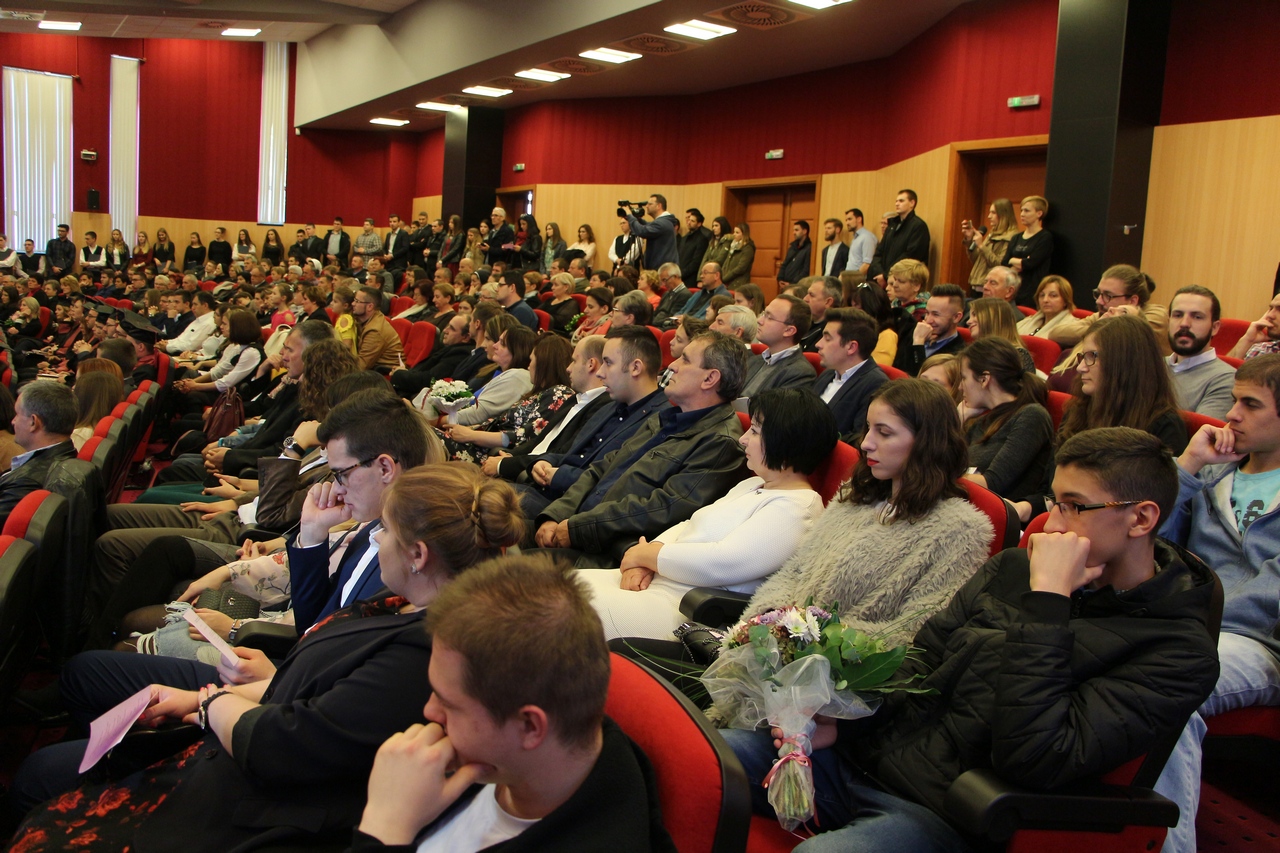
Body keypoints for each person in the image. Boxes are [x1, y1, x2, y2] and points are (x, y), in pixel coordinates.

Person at [725, 426, 1219, 851]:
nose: (1051, 525)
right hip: (865, 759)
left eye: (1074, 507)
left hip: (947, 811)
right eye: (1055, 502)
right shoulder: (1013, 569)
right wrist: (842, 723)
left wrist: (1049, 605)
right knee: (701, 758)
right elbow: (921, 663)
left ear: (1141, 518)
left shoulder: (1177, 651)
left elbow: (1036, 758)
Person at [7, 461, 523, 853]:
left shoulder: (425, 649)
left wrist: (209, 702)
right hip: (241, 734)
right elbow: (319, 673)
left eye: (385, 530)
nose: (376, 538)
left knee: (39, 784)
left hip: (252, 798)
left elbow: (291, 742)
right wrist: (212, 696)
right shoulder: (402, 602)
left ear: (418, 555)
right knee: (51, 762)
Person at [349, 553, 675, 853]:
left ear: (529, 727)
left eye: (449, 704)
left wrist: (384, 828)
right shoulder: (510, 762)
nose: (429, 711)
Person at [734, 378, 992, 644]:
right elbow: (794, 571)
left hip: (841, 662)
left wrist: (812, 639)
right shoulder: (856, 495)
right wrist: (768, 620)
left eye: (884, 433)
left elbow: (914, 633)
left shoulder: (960, 531)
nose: (866, 443)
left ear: (927, 442)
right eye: (868, 428)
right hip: (785, 644)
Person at [580, 388, 834, 641]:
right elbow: (688, 524)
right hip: (657, 580)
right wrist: (643, 561)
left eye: (755, 431)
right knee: (559, 584)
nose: (743, 439)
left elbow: (723, 563)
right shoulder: (753, 483)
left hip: (684, 608)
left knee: (565, 611)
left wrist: (649, 556)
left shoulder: (797, 509)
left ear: (785, 442)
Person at [1155, 354, 1280, 853]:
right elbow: (1153, 545)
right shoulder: (1213, 476)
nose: (1231, 414)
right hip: (1187, 624)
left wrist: (1190, 621)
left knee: (1168, 686)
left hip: (1254, 640)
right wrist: (1187, 467)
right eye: (1233, 400)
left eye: (1251, 404)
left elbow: (1271, 595)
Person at [533, 331, 749, 565]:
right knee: (505, 527)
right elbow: (600, 469)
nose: (672, 365)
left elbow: (664, 508)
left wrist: (577, 528)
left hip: (610, 555)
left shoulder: (720, 443)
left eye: (685, 360)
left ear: (709, 379)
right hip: (579, 528)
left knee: (507, 564)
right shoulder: (664, 419)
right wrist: (555, 515)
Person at [445, 334, 574, 464]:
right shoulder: (540, 392)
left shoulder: (559, 393)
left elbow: (523, 436)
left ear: (543, 364)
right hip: (480, 444)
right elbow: (498, 423)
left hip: (491, 455)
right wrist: (469, 430)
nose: (528, 366)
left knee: (435, 441)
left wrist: (471, 435)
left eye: (532, 360)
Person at [959, 336, 1053, 502]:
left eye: (964, 378)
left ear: (984, 379)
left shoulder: (1032, 416)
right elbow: (949, 464)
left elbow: (992, 484)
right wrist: (959, 419)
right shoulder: (981, 421)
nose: (960, 387)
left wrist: (942, 476)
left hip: (1001, 511)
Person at [0, 381, 78, 525]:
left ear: (33, 422)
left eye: (17, 414)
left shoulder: (26, 482)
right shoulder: (67, 454)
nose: (13, 421)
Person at [813, 307, 889, 442]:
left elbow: (858, 439)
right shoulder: (828, 373)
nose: (818, 344)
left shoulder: (876, 385)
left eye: (827, 338)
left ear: (851, 347)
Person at [1167, 284, 1237, 420]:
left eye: (1197, 317)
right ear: (1168, 321)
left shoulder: (1225, 379)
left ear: (1215, 327)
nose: (1184, 323)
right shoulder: (1152, 366)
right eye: (1178, 315)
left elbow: (1200, 431)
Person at [450, 326, 536, 428]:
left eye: (502, 344)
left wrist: (441, 420)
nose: (495, 345)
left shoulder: (517, 378)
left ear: (517, 351)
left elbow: (479, 413)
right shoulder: (498, 371)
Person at [741, 295, 816, 397]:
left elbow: (774, 407)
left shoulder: (800, 373)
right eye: (764, 314)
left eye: (769, 317)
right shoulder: (754, 360)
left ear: (789, 330)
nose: (759, 320)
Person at [391, 313, 474, 399]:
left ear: (466, 337)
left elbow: (429, 380)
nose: (445, 330)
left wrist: (399, 374)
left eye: (452, 329)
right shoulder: (452, 348)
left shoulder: (459, 353)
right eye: (448, 326)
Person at [896, 282, 965, 376]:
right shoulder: (916, 333)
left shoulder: (958, 355)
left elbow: (918, 380)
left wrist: (918, 343)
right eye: (927, 313)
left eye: (936, 314)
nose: (928, 320)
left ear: (956, 317)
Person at [867, 189, 931, 287]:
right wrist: (879, 273)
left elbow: (910, 256)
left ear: (912, 203)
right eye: (896, 201)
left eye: (901, 201)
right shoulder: (892, 225)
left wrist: (886, 275)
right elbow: (879, 252)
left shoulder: (918, 226)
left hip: (903, 281)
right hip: (881, 278)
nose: (897, 204)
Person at [1002, 195, 1054, 309]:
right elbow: (1005, 262)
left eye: (1027, 211)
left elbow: (1031, 263)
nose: (1022, 214)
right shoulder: (1016, 238)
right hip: (1013, 291)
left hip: (1031, 292)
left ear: (1039, 213)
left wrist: (1014, 260)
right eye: (1021, 210)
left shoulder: (1044, 237)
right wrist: (1019, 261)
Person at [961, 198, 1019, 298]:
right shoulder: (992, 234)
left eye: (993, 213)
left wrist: (981, 246)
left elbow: (1000, 265)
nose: (989, 216)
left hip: (989, 289)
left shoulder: (1011, 237)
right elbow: (977, 260)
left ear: (1003, 215)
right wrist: (970, 240)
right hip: (976, 284)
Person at [966, 296, 1036, 374]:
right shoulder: (974, 352)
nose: (968, 322)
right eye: (970, 316)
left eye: (974, 315)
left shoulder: (1019, 356)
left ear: (993, 318)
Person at [352, 285, 403, 371]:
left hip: (386, 373)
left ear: (370, 306)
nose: (353, 304)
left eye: (357, 301)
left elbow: (361, 366)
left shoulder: (375, 331)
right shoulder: (367, 320)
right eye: (354, 300)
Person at [71, 370, 124, 451]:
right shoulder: (111, 430)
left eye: (76, 389)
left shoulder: (80, 435)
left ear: (83, 398)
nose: (72, 387)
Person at [620, 197, 677, 269]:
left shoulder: (662, 223)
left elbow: (642, 231)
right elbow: (648, 226)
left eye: (650, 204)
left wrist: (629, 214)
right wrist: (637, 218)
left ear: (659, 206)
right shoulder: (664, 221)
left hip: (662, 269)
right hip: (662, 267)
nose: (646, 206)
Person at [1016, 274, 1076, 339]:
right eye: (1042, 295)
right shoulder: (1027, 321)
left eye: (1053, 295)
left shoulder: (1071, 328)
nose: (1045, 300)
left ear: (1066, 300)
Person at [1227, 292, 1280, 360]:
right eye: (1271, 308)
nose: (1269, 315)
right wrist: (1248, 340)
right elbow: (1224, 367)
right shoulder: (1263, 350)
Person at [843, 208, 877, 280]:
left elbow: (867, 264)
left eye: (850, 219)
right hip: (849, 279)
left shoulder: (867, 237)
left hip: (857, 281)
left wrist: (853, 279)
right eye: (846, 220)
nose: (847, 223)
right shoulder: (855, 238)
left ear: (859, 219)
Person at [777, 221, 812, 288]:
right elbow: (784, 264)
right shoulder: (792, 247)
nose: (794, 233)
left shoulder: (809, 249)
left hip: (797, 286)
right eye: (793, 230)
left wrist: (792, 283)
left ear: (804, 231)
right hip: (785, 285)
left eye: (796, 230)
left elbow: (806, 270)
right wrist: (780, 278)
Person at [721, 223, 756, 289]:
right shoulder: (733, 246)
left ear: (744, 234)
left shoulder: (748, 248)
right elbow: (726, 263)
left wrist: (725, 278)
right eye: (734, 232)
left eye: (737, 232)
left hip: (739, 283)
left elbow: (741, 268)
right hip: (728, 281)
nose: (734, 234)